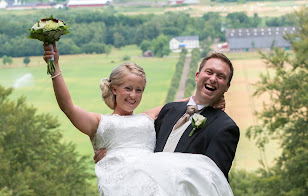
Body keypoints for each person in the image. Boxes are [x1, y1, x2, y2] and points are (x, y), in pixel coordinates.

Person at [43, 43, 234, 196]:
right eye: (128, 88)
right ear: (114, 88)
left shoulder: (148, 117)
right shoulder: (99, 123)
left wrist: (215, 98)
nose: (133, 95)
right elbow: (68, 106)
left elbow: (187, 103)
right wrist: (54, 68)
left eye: (139, 90)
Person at [94, 52, 240, 181]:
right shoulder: (169, 110)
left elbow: (215, 182)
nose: (213, 79)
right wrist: (111, 155)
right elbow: (139, 142)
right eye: (209, 72)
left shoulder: (225, 128)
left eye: (221, 76)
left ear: (227, 86)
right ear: (197, 76)